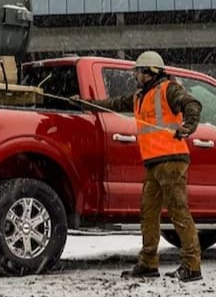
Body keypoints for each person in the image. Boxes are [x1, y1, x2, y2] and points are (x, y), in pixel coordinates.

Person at [77, 51, 203, 282]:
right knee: (148, 213)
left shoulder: (169, 89)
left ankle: (192, 266)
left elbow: (192, 104)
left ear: (149, 72)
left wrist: (188, 126)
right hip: (154, 163)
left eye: (137, 71)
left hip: (172, 160)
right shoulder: (139, 96)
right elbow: (113, 103)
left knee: (178, 212)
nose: (134, 75)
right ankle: (148, 263)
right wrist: (86, 104)